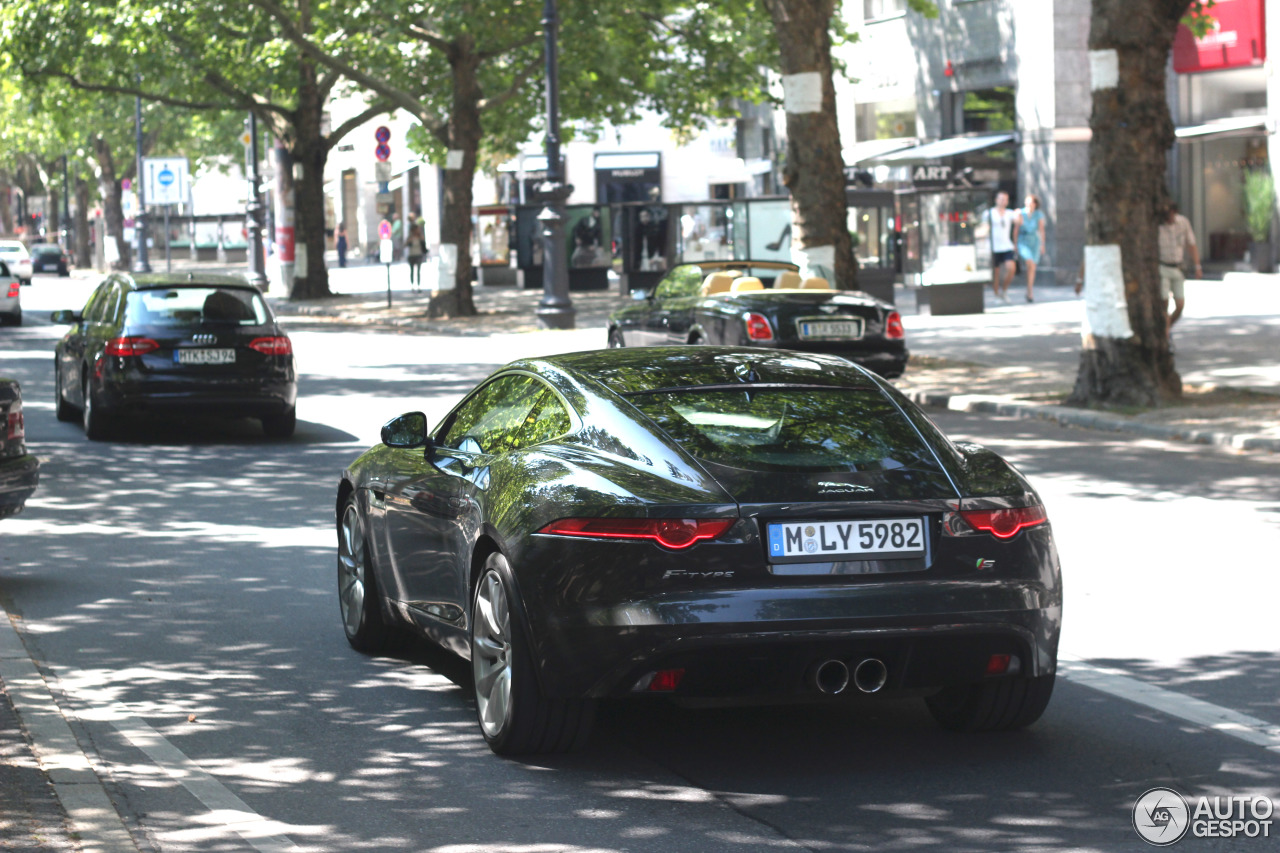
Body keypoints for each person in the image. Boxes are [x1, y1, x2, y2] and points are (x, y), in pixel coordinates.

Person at [1157, 202, 1200, 333]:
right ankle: (1165, 334)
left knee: (1180, 304)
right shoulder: (1158, 226)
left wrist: (1197, 266)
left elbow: (1191, 244)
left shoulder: (1183, 223)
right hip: (1162, 266)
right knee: (1164, 302)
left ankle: (1166, 328)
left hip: (1178, 267)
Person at [984, 191, 1019, 303]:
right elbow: (984, 228)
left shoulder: (1010, 213)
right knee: (996, 273)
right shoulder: (988, 213)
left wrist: (1019, 214)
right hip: (993, 247)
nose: (1003, 201)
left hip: (1006, 246)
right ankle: (996, 294)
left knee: (1011, 268)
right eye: (1001, 198)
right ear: (996, 200)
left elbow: (1018, 222)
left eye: (1005, 199)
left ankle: (1004, 290)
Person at [1017, 194, 1047, 302]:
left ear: (1035, 204)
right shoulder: (1020, 213)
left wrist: (1043, 244)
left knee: (1032, 267)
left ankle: (1029, 290)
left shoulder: (1038, 214)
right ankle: (1029, 289)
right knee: (1029, 261)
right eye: (1027, 201)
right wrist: (1015, 244)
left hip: (1035, 242)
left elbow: (1041, 230)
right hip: (1023, 240)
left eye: (1031, 202)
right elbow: (1016, 229)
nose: (1028, 204)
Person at [406, 223, 427, 289]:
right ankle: (412, 285)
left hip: (418, 254)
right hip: (412, 255)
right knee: (412, 271)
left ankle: (418, 285)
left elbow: (424, 245)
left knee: (418, 271)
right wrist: (410, 240)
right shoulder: (410, 237)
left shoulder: (420, 237)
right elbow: (405, 244)